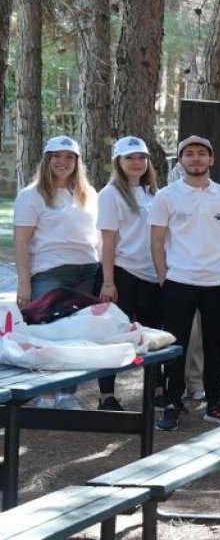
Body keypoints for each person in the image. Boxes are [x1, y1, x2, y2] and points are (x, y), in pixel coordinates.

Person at [149, 135, 220, 429]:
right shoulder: (166, 196)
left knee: (215, 346)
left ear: (211, 159)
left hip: (219, 281)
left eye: (201, 153)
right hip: (179, 281)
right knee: (176, 346)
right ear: (180, 161)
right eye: (188, 154)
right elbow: (156, 241)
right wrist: (165, 278)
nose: (195, 158)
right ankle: (173, 403)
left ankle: (215, 403)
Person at [95, 136, 160, 411]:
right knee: (112, 336)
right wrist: (108, 281)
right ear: (118, 162)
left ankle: (155, 390)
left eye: (142, 157)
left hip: (151, 275)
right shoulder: (110, 194)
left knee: (153, 337)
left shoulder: (153, 193)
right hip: (122, 273)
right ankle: (106, 396)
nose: (137, 163)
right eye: (130, 158)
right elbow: (107, 241)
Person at [15, 136, 100, 308]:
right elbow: (21, 242)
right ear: (47, 159)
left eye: (70, 156)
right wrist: (24, 284)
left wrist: (106, 278)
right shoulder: (31, 195)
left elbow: (98, 236)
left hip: (89, 273)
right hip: (49, 274)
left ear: (77, 162)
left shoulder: (88, 193)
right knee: (50, 329)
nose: (63, 161)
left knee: (84, 330)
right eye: (57, 155)